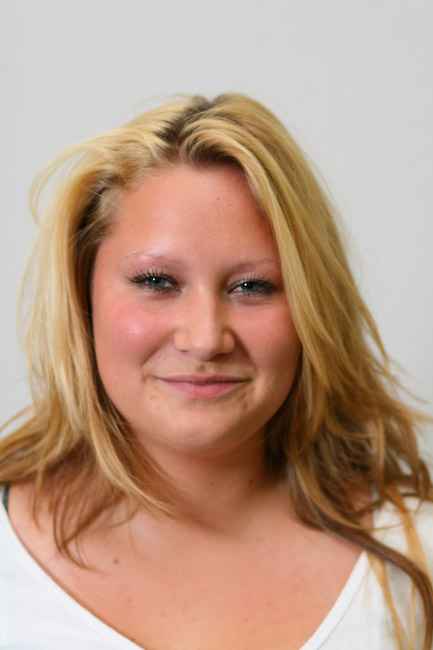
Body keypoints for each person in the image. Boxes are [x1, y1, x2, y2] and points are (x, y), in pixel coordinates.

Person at [0, 93, 432, 650]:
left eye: (252, 286)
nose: (205, 338)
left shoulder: (416, 558)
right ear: (83, 293)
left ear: (312, 308)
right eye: (156, 281)